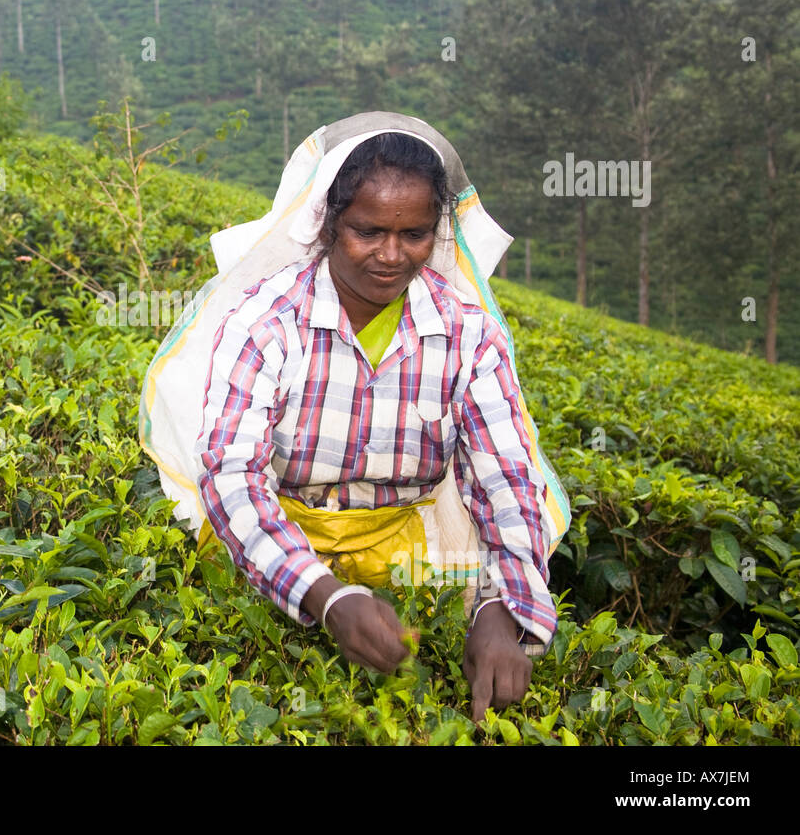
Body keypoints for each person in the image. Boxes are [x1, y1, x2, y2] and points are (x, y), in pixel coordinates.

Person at [140, 113, 571, 719]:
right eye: (368, 231)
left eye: (414, 234)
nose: (391, 256)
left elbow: (504, 475)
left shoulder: (467, 335)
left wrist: (503, 610)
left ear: (437, 233)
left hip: (406, 541)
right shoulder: (266, 324)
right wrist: (326, 595)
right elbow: (232, 474)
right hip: (276, 535)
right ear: (327, 223)